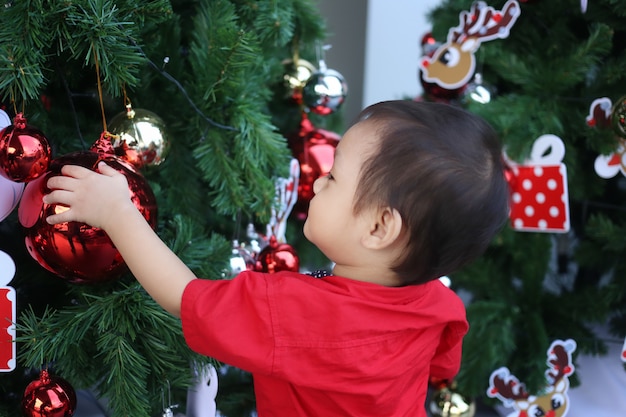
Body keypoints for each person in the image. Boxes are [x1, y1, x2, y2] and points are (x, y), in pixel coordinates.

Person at [44, 100, 509, 417]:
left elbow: (186, 299)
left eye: (334, 176)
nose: (317, 182)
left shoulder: (296, 312)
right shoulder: (439, 304)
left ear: (378, 228)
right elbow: (442, 365)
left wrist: (118, 212)